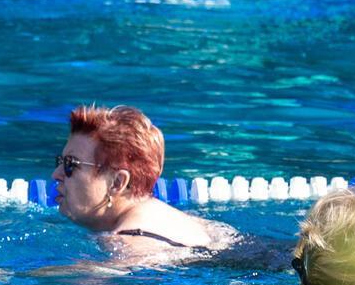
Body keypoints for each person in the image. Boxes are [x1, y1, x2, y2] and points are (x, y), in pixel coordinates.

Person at [51, 104, 235, 260]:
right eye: (60, 162)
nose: (56, 174)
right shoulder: (181, 220)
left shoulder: (130, 243)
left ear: (117, 182)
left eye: (70, 165)